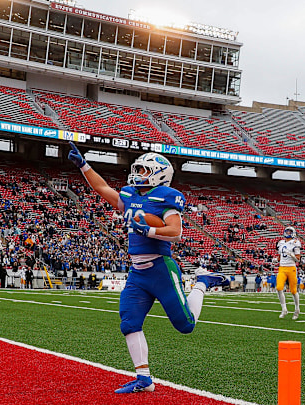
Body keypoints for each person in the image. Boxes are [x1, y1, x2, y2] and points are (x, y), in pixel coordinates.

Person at [68, 141, 228, 394]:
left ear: (159, 173)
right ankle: (144, 378)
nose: (138, 174)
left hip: (160, 269)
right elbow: (102, 188)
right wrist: (84, 166)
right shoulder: (131, 195)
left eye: (143, 170)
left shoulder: (167, 196)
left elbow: (175, 232)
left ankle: (202, 282)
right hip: (137, 272)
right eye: (138, 169)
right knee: (129, 323)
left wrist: (149, 229)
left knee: (185, 325)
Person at [275, 226, 302, 320]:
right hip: (282, 267)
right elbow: (280, 256)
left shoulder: (295, 243)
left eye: (290, 232)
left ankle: (297, 309)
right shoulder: (281, 242)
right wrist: (276, 260)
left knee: (293, 291)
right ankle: (284, 309)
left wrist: (292, 255)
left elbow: (298, 259)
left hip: (291, 267)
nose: (288, 233)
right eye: (287, 231)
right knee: (279, 287)